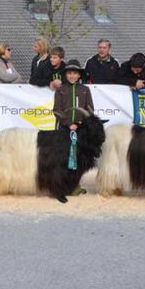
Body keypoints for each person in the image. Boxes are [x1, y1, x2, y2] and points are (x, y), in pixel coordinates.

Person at [53, 59, 94, 197]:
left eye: (75, 73)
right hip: (64, 130)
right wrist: (67, 123)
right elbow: (57, 110)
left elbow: (90, 109)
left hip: (80, 130)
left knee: (77, 158)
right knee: (62, 158)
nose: (72, 76)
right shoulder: (60, 90)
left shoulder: (85, 90)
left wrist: (79, 123)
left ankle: (75, 185)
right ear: (66, 75)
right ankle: (61, 185)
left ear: (79, 75)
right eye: (69, 73)